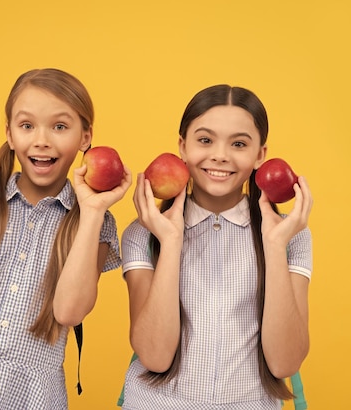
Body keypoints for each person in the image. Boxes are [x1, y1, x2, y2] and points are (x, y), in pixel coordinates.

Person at [0, 68, 132, 409]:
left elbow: (69, 312)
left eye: (60, 126)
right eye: (27, 125)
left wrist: (92, 213)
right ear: (9, 132)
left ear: (85, 136)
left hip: (34, 395)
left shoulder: (94, 221)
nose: (42, 140)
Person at [120, 84, 313, 409]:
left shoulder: (289, 235)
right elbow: (154, 355)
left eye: (239, 143)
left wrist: (275, 246)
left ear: (260, 156)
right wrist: (170, 242)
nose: (220, 155)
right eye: (205, 140)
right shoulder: (143, 234)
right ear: (182, 146)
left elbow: (285, 363)